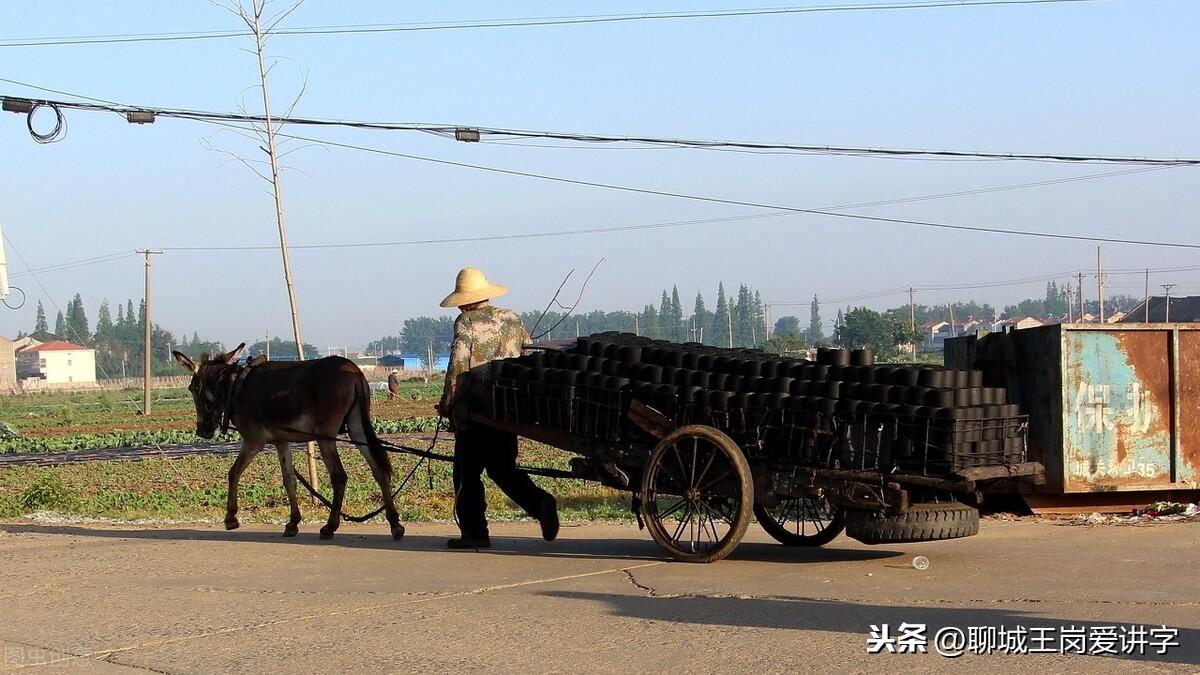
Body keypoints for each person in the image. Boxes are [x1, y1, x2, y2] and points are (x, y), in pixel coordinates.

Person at [436, 267, 559, 549]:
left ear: (465, 300)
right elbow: (528, 355)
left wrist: (447, 404)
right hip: (509, 407)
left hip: (476, 412)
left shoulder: (465, 322)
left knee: (466, 474)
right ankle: (540, 503)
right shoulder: (512, 318)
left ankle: (475, 533)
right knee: (503, 468)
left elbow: (457, 367)